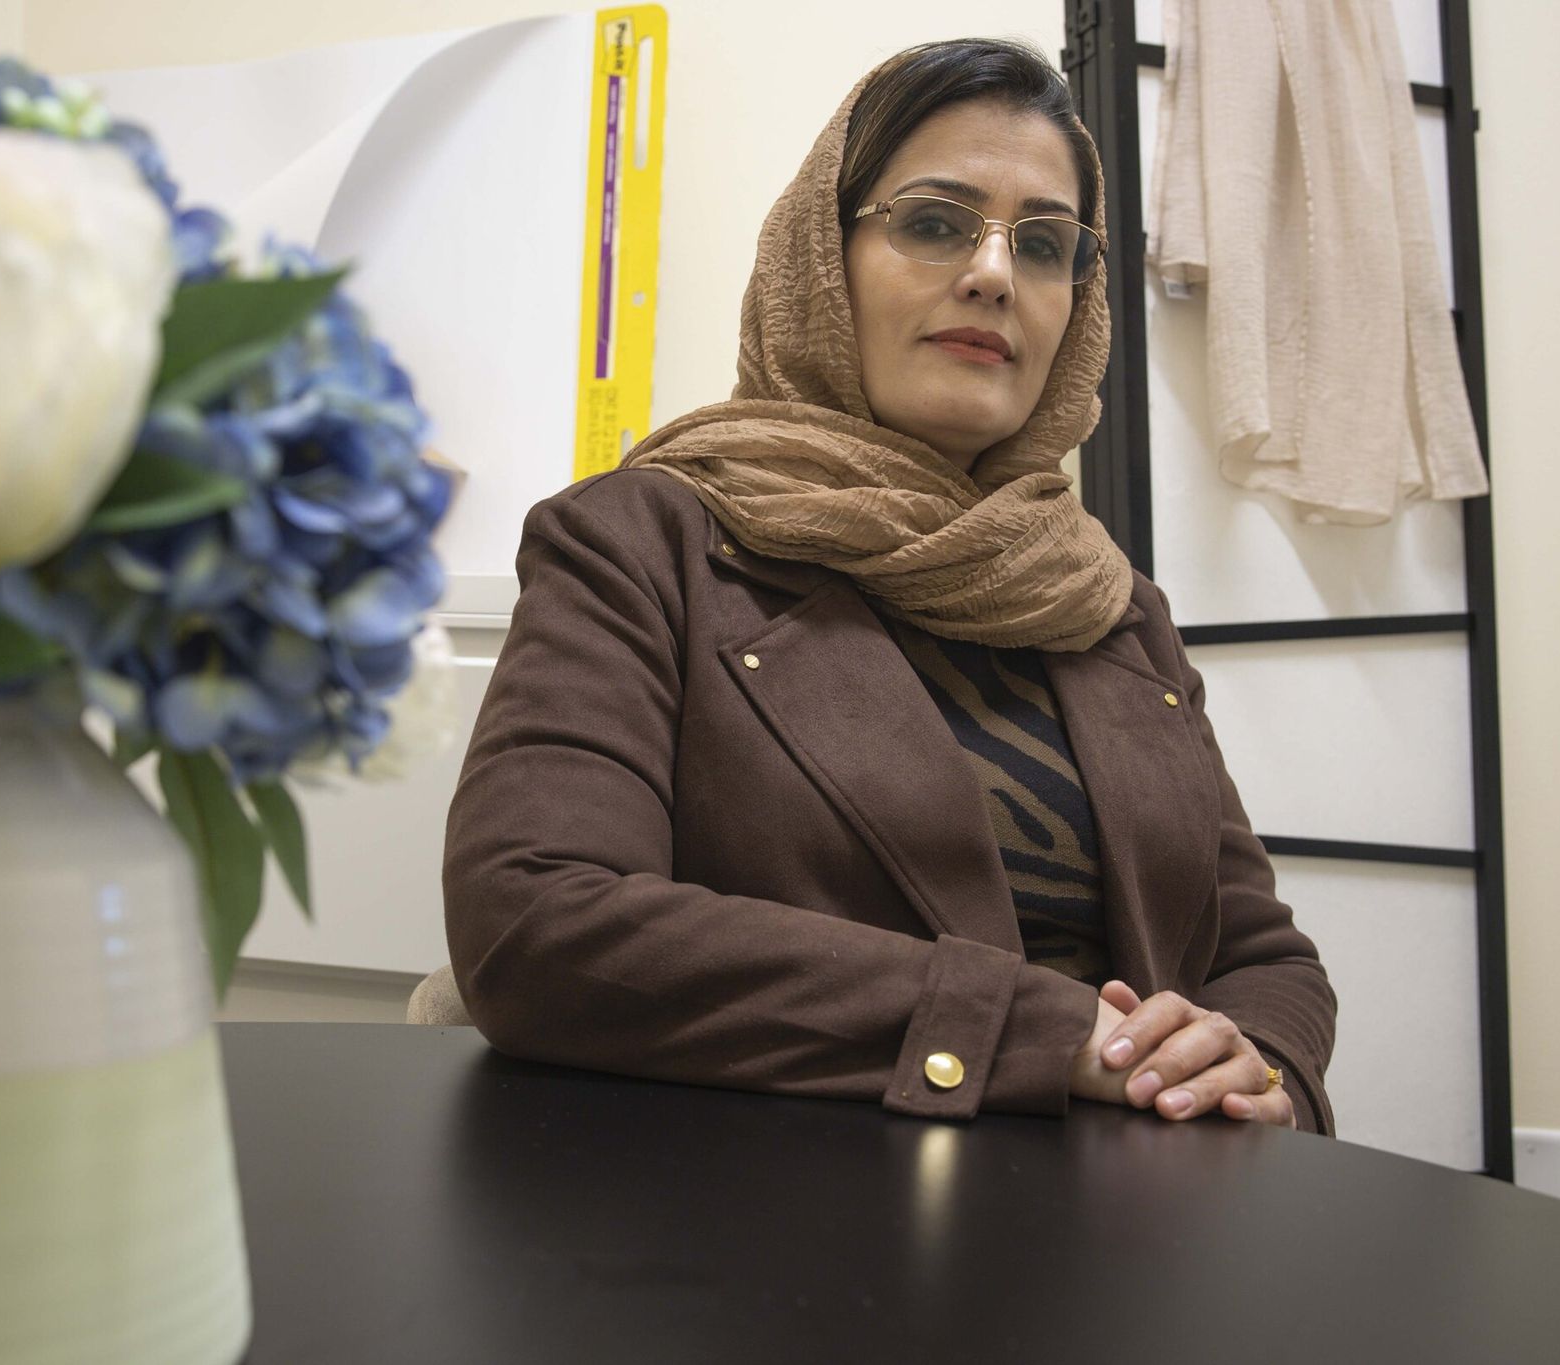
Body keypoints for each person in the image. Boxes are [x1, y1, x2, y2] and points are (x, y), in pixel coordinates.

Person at [442, 36, 1336, 1134]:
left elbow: (1256, 952)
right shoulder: (641, 542)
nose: (994, 274)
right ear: (818, 261)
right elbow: (534, 920)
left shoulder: (1108, 604)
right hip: (753, 1242)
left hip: (1136, 1245)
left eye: (1045, 244)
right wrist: (1042, 1036)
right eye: (931, 222)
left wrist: (1255, 1067)